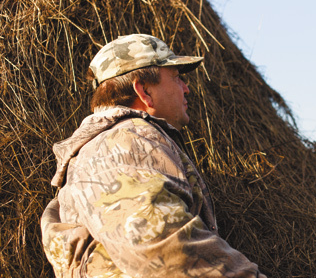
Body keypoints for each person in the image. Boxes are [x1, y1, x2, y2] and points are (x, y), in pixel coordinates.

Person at [41, 34, 266, 278]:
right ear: (144, 90)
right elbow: (164, 248)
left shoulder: (113, 146)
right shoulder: (121, 142)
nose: (186, 88)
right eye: (177, 78)